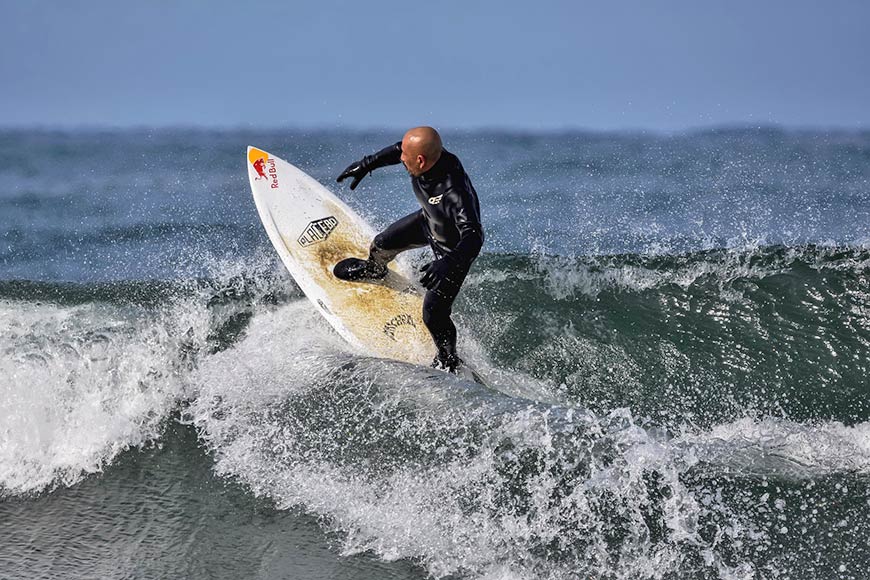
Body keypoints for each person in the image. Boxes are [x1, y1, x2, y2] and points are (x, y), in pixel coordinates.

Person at [334, 126, 484, 373]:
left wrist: (448, 262)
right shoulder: (424, 156)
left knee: (433, 314)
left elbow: (474, 236)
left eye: (406, 156)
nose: (401, 158)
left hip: (453, 252)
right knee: (381, 244)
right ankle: (374, 270)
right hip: (427, 222)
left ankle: (449, 359)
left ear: (421, 161)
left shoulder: (454, 191)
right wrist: (367, 164)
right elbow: (397, 150)